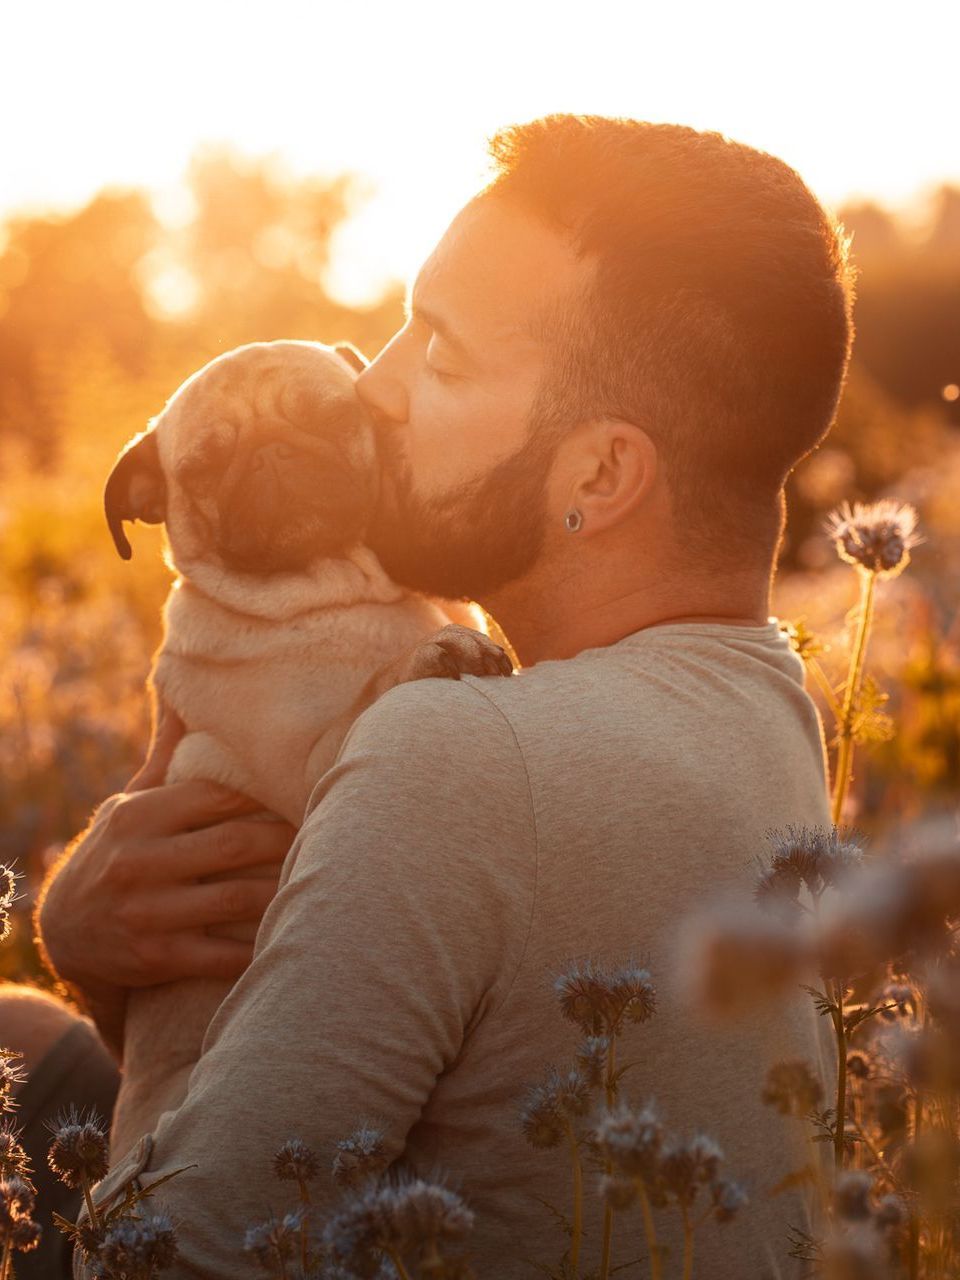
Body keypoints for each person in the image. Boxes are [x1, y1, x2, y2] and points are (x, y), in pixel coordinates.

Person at [17, 114, 854, 1278]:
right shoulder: (772, 698)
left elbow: (169, 1252)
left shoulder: (451, 749)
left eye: (443, 355)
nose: (376, 388)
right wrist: (112, 976)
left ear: (600, 473)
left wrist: (72, 935)